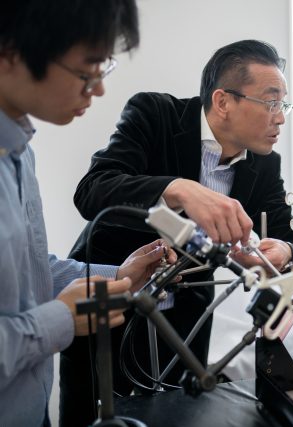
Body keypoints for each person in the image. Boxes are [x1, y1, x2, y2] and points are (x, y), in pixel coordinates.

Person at [60, 39, 293, 426]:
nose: (281, 117)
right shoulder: (155, 115)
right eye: (271, 102)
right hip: (105, 306)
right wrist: (179, 189)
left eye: (284, 104)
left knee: (178, 418)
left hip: (183, 324)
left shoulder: (263, 165)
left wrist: (283, 252)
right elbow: (93, 190)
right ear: (223, 101)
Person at [0, 1, 179, 425]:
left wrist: (118, 276)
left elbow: (27, 274)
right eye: (87, 72)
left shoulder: (21, 154)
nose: (97, 90)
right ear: (10, 52)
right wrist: (62, 320)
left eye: (105, 70)